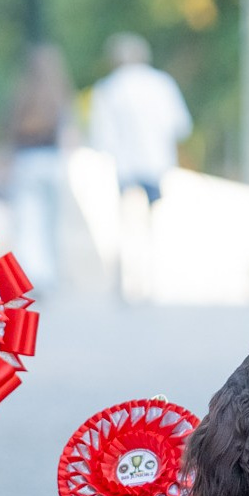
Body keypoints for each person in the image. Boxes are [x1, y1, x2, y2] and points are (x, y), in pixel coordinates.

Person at [88, 34, 191, 300]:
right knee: (153, 224)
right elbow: (179, 126)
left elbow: (102, 136)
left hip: (124, 166)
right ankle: (152, 283)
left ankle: (123, 283)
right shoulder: (161, 84)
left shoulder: (109, 88)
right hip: (155, 163)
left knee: (124, 225)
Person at [4, 43, 74, 293]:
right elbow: (68, 132)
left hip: (26, 162)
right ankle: (49, 275)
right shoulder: (59, 94)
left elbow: (10, 132)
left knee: (28, 221)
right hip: (51, 162)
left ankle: (32, 273)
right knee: (49, 223)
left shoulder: (22, 94)